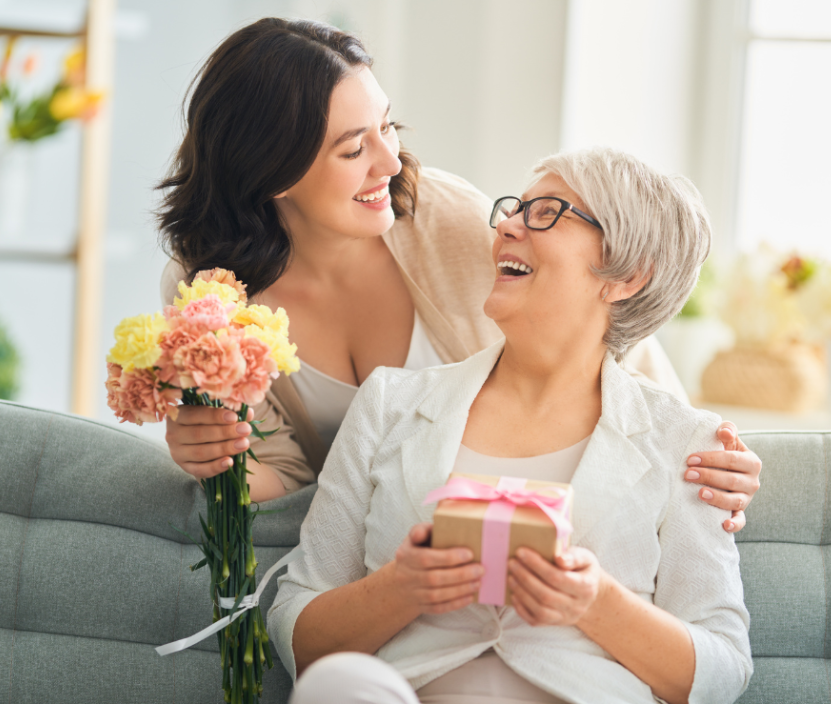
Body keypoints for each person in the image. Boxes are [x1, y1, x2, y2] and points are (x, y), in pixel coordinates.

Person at [156, 18, 761, 529]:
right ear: (272, 173)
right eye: (352, 148)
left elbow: (602, 325)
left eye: (386, 126)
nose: (390, 161)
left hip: (528, 518)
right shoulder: (208, 296)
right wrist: (215, 456)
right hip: (388, 543)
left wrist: (696, 457)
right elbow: (288, 477)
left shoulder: (445, 218)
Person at [268, 147, 751, 704]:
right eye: (513, 209)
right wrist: (400, 589)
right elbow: (296, 632)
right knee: (336, 686)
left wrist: (598, 605)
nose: (507, 225)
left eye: (546, 212)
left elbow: (723, 672)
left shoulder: (688, 442)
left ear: (627, 275)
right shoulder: (389, 403)